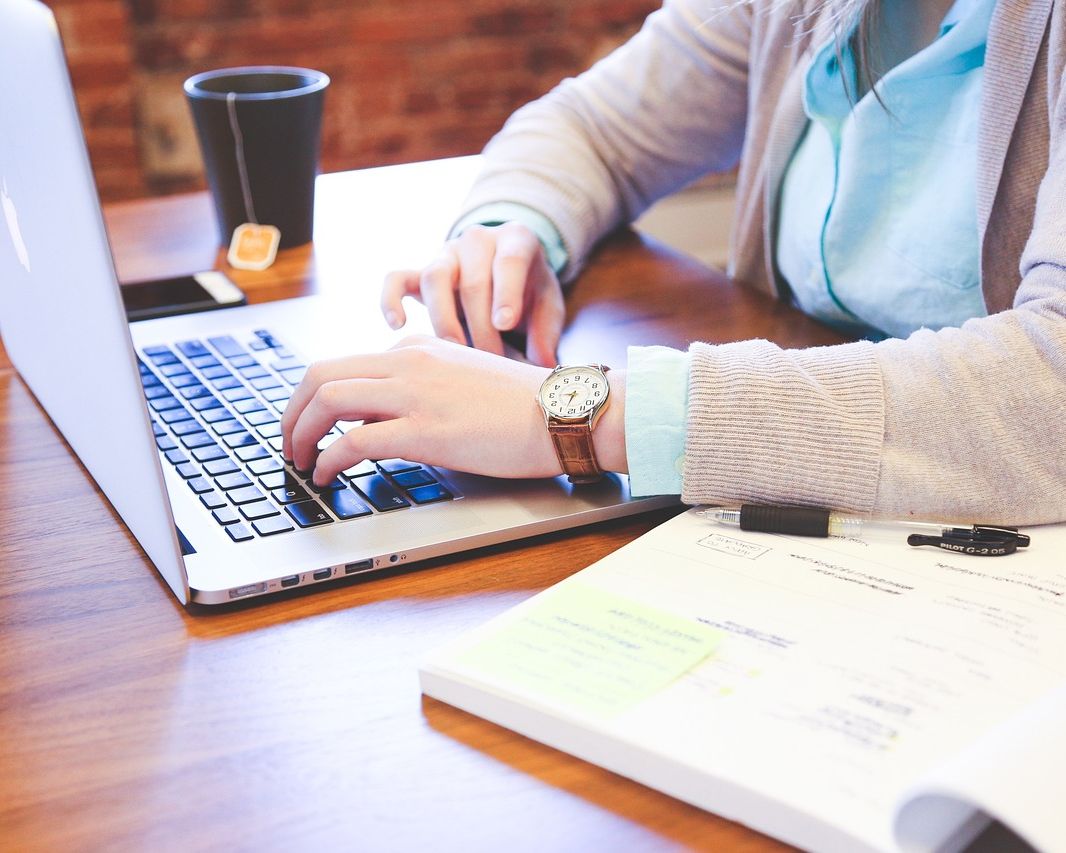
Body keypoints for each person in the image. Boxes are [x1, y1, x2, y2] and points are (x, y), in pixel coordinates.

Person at [281, 0, 1066, 525]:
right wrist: (510, 227)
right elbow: (595, 125)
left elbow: (1050, 388)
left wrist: (575, 415)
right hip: (801, 516)